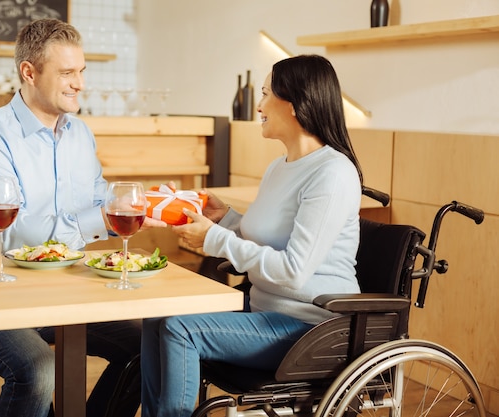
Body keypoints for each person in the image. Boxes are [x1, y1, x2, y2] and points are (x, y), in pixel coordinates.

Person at [0, 18, 164, 417]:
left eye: (81, 71)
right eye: (66, 73)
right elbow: (17, 236)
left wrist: (142, 204)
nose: (79, 83)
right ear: (29, 72)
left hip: (64, 290)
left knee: (149, 348)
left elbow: (101, 196)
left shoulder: (80, 134)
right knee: (38, 369)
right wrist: (101, 216)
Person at [140, 55, 364, 417]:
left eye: (265, 94)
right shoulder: (280, 166)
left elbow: (293, 270)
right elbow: (263, 239)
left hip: (310, 326)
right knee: (157, 316)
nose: (258, 106)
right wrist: (224, 218)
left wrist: (214, 238)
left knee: (180, 330)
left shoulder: (333, 173)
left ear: (294, 103)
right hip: (263, 309)